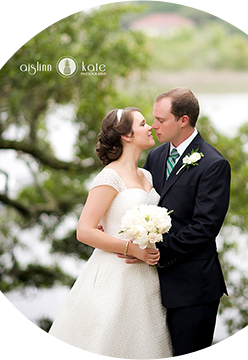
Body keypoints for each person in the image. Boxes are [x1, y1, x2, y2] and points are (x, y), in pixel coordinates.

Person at [48, 107, 173, 360]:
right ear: (126, 135)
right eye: (142, 123)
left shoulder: (146, 175)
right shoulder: (109, 177)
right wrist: (131, 248)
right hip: (116, 273)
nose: (150, 127)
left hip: (147, 277)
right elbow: (84, 230)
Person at [119, 87, 230, 359]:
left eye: (161, 120)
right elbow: (142, 203)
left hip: (193, 288)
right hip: (152, 286)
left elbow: (204, 227)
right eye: (153, 119)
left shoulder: (214, 164)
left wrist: (157, 253)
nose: (154, 125)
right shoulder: (155, 157)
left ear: (183, 120)